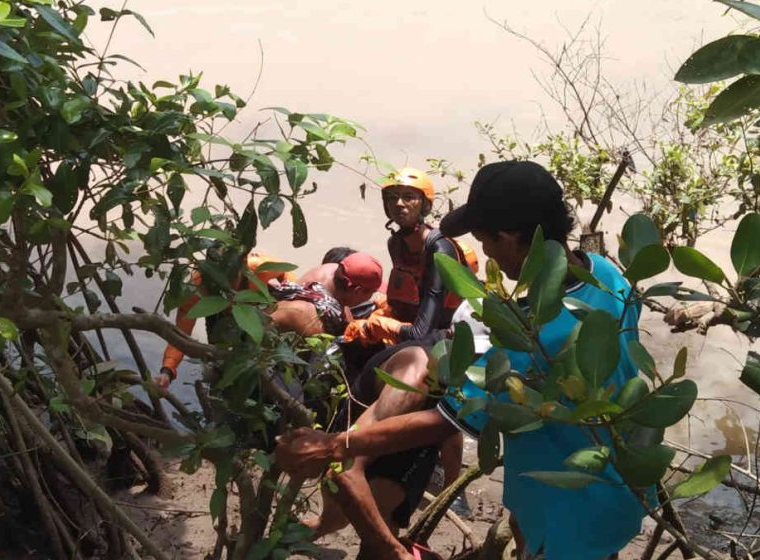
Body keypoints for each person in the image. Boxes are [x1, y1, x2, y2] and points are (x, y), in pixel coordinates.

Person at [274, 160, 647, 560]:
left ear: (509, 238)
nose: (486, 253)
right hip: (623, 483)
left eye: (485, 241)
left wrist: (335, 445)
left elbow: (444, 422)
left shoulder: (525, 337)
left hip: (566, 515)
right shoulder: (607, 276)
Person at [345, 168, 476, 511]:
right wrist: (381, 314)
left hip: (451, 331)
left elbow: (422, 331)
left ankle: (454, 490)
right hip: (421, 325)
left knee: (445, 404)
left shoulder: (440, 247)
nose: (399, 204)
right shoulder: (396, 244)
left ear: (425, 204)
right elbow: (411, 297)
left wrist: (381, 326)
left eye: (409, 197)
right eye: (392, 198)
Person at [157, 250, 383, 389]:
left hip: (258, 306)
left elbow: (291, 281)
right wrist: (168, 370)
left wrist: (285, 296)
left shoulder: (256, 267)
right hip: (223, 314)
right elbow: (181, 334)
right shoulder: (195, 291)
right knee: (225, 356)